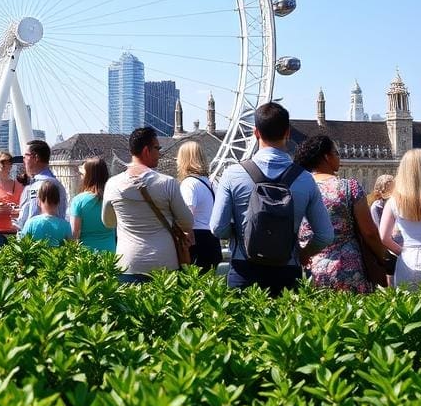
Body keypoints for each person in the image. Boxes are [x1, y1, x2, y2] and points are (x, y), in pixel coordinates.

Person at [210, 102, 333, 297]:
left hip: (244, 270)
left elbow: (217, 227)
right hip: (287, 271)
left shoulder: (233, 174)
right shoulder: (304, 179)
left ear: (255, 132)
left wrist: (239, 234)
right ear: (288, 133)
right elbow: (325, 235)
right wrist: (303, 254)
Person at [293, 134, 389, 292]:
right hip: (347, 269)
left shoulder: (298, 189)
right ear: (326, 157)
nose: (339, 157)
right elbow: (369, 232)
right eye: (336, 153)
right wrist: (382, 256)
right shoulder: (349, 187)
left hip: (309, 270)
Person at [102, 126, 194, 282]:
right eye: (157, 148)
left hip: (127, 263)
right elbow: (187, 223)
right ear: (146, 151)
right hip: (164, 263)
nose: (159, 153)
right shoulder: (168, 183)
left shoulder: (113, 184)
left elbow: (108, 222)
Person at [378, 149, 421, 289]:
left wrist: (401, 252)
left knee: (408, 306)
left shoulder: (394, 200)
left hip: (407, 259)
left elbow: (383, 237)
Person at [176, 141, 220, 273]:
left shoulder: (189, 184)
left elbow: (186, 216)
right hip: (212, 239)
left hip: (196, 241)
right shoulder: (211, 183)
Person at [16, 140, 68, 230]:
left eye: (25, 156)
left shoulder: (40, 185)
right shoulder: (57, 184)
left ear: (36, 158)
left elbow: (33, 216)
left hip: (36, 241)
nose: (23, 160)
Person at [69, 157, 116, 253]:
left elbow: (74, 234)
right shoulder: (113, 198)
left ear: (88, 176)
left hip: (87, 256)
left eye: (82, 174)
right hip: (110, 253)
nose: (81, 177)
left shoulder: (78, 201)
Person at [19, 181, 72, 247]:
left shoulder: (31, 223)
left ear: (38, 201)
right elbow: (70, 249)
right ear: (58, 202)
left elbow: (22, 245)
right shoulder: (66, 226)